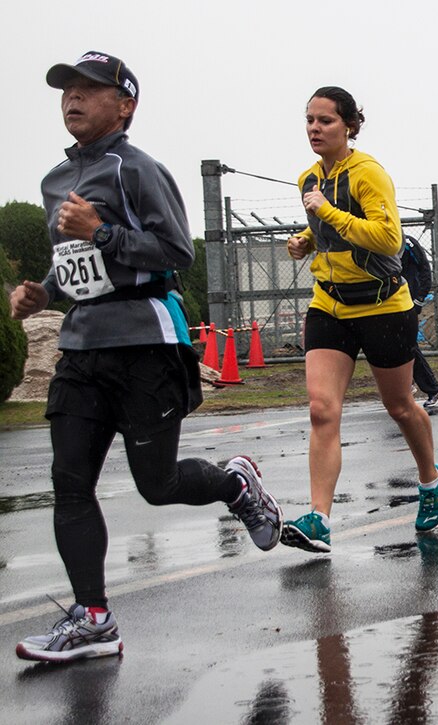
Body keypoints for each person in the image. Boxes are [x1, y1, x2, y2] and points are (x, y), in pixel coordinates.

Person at [9, 51, 283, 663]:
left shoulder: (138, 170)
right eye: (65, 90)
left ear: (125, 104)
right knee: (69, 480)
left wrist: (102, 231)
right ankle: (94, 619)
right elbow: (72, 267)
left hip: (147, 343)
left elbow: (175, 251)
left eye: (88, 89)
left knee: (155, 486)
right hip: (81, 348)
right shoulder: (56, 180)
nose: (71, 98)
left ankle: (235, 484)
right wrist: (41, 293)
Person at [282, 86, 438, 551]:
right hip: (329, 304)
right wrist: (304, 241)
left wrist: (326, 213)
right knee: (321, 409)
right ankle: (319, 519)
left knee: (399, 407)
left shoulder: (368, 173)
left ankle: (431, 480)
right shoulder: (308, 179)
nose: (315, 128)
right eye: (310, 120)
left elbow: (388, 238)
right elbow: (327, 231)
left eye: (326, 121)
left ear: (349, 126)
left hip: (382, 305)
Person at [400, 233, 438, 408]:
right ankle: (408, 384)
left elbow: (425, 271)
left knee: (408, 344)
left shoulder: (407, 243)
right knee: (398, 343)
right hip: (391, 300)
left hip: (408, 300)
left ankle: (433, 388)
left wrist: (419, 299)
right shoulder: (376, 239)